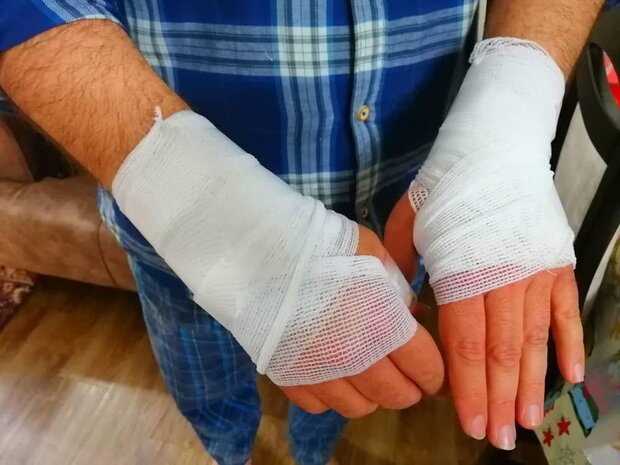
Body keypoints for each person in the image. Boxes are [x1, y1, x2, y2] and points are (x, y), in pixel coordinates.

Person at [0, 1, 604, 464]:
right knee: (206, 382)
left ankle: (311, 454)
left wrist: (508, 114)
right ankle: (229, 453)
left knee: (343, 387)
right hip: (183, 241)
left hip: (408, 209)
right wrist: (197, 203)